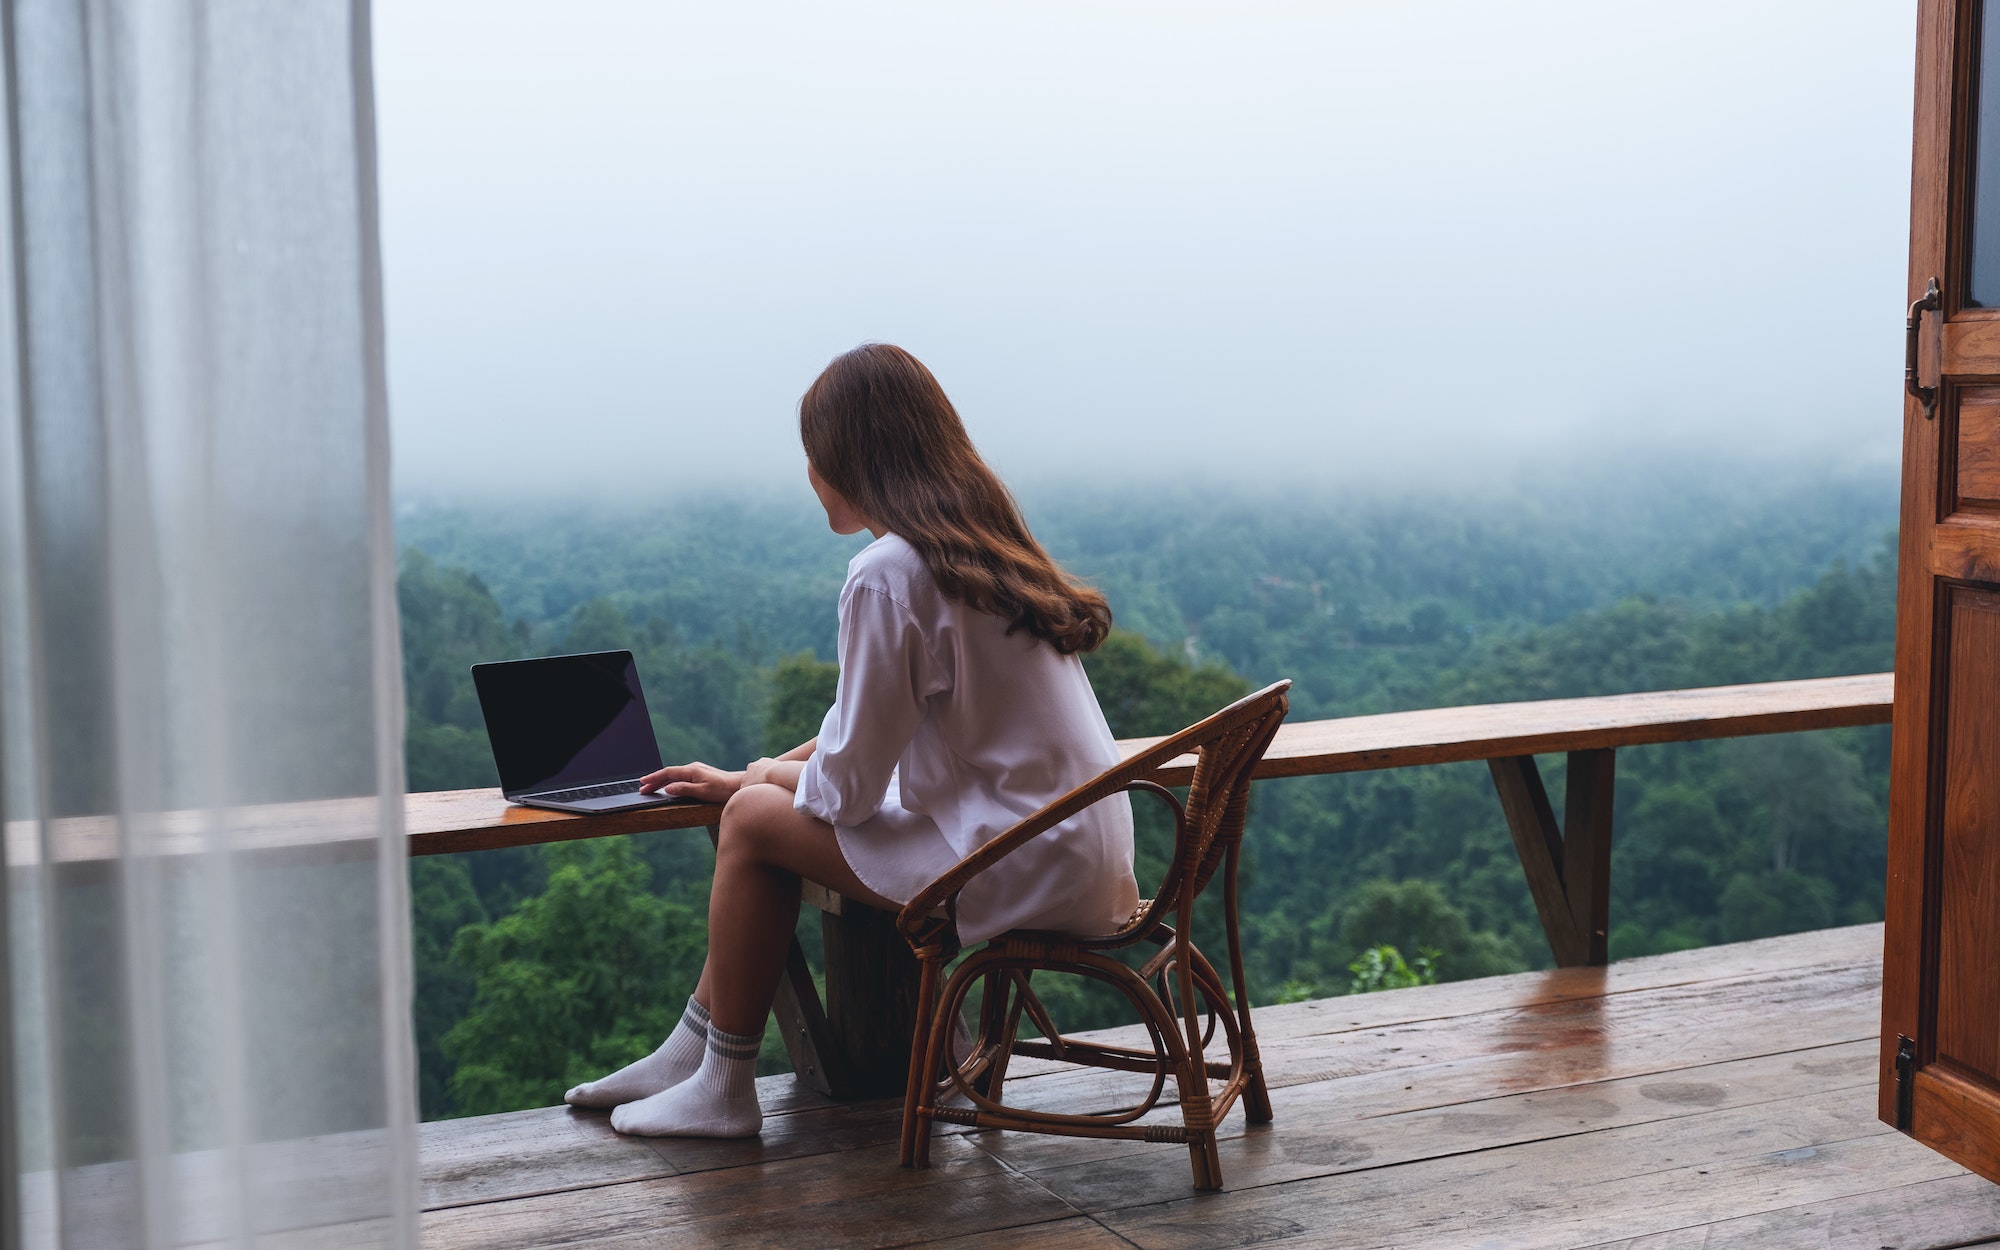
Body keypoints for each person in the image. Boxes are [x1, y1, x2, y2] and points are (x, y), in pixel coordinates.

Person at [563, 343, 1141, 1138]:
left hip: (1012, 860)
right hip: (1074, 850)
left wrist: (756, 784)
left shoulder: (888, 571)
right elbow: (859, 732)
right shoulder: (979, 551)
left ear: (841, 460)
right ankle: (693, 1054)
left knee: (752, 824)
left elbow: (849, 791)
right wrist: (759, 773)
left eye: (813, 454)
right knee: (759, 805)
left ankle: (722, 1084)